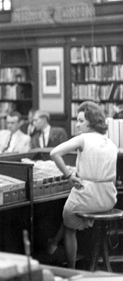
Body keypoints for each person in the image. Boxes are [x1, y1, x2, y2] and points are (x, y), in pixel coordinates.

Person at [47, 101, 118, 268]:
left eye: (80, 121)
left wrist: (69, 175)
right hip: (108, 199)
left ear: (91, 122)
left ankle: (70, 267)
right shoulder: (110, 143)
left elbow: (54, 153)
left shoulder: (83, 139)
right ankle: (54, 243)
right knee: (72, 208)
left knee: (68, 214)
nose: (77, 125)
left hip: (88, 197)